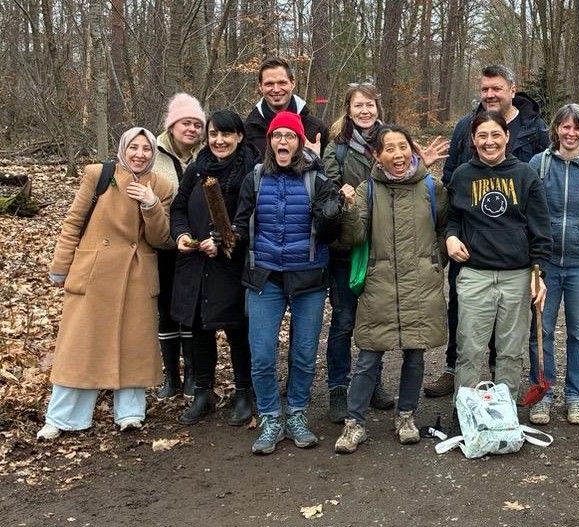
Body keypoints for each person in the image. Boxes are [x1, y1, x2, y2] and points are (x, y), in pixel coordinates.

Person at [322, 84, 450, 422]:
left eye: (370, 104)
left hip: (401, 254)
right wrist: (349, 204)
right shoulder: (338, 149)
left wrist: (431, 261)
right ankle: (340, 390)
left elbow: (440, 224)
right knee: (349, 324)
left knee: (404, 340)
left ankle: (380, 392)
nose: (365, 110)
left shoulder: (409, 162)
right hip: (354, 251)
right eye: (358, 105)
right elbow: (334, 195)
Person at [37, 128, 174, 440]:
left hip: (136, 274)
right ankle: (63, 417)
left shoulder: (161, 186)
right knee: (80, 344)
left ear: (154, 153)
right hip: (94, 272)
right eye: (134, 147)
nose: (140, 154)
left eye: (147, 149)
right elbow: (74, 221)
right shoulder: (98, 175)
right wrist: (60, 267)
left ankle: (130, 413)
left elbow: (160, 239)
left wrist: (151, 204)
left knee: (133, 345)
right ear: (123, 149)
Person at [425, 64, 549, 398]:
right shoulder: (464, 173)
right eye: (482, 136)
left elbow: (540, 227)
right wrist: (451, 236)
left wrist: (539, 272)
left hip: (515, 273)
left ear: (507, 137)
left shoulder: (526, 172)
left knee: (510, 349)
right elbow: (453, 211)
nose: (489, 141)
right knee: (469, 345)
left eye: (495, 135)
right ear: (473, 140)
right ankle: (465, 407)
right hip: (474, 271)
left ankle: (503, 408)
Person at [232, 111, 342, 455]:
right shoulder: (255, 178)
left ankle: (296, 414)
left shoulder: (318, 180)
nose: (283, 141)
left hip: (309, 276)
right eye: (277, 136)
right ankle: (270, 417)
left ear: (299, 142)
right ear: (270, 142)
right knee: (262, 354)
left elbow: (330, 233)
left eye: (290, 136)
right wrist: (225, 237)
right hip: (264, 276)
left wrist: (332, 213)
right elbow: (240, 225)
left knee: (305, 353)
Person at [525, 103, 579, 426]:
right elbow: (528, 217)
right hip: (546, 265)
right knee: (541, 331)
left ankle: (575, 396)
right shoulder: (539, 164)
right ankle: (543, 394)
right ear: (556, 129)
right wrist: (532, 265)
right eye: (565, 126)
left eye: (577, 128)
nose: (571, 133)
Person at [171, 110, 254, 426]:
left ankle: (244, 393)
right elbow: (179, 207)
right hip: (195, 264)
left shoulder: (250, 171)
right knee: (198, 330)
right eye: (214, 134)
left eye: (226, 134)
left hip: (230, 265)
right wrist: (181, 234)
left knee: (237, 330)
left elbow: (249, 218)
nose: (219, 140)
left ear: (239, 136)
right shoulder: (197, 168)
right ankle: (203, 392)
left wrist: (222, 240)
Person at [151, 93, 205, 399]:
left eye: (197, 124)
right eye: (186, 123)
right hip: (161, 245)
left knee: (191, 310)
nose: (192, 129)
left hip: (195, 246)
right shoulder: (152, 152)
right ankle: (171, 375)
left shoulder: (205, 155)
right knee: (167, 311)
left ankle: (193, 375)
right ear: (172, 125)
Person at [244, 57, 329, 159]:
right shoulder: (248, 129)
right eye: (269, 84)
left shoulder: (316, 128)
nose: (276, 89)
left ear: (292, 84)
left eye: (282, 83)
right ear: (260, 87)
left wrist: (315, 159)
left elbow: (328, 167)